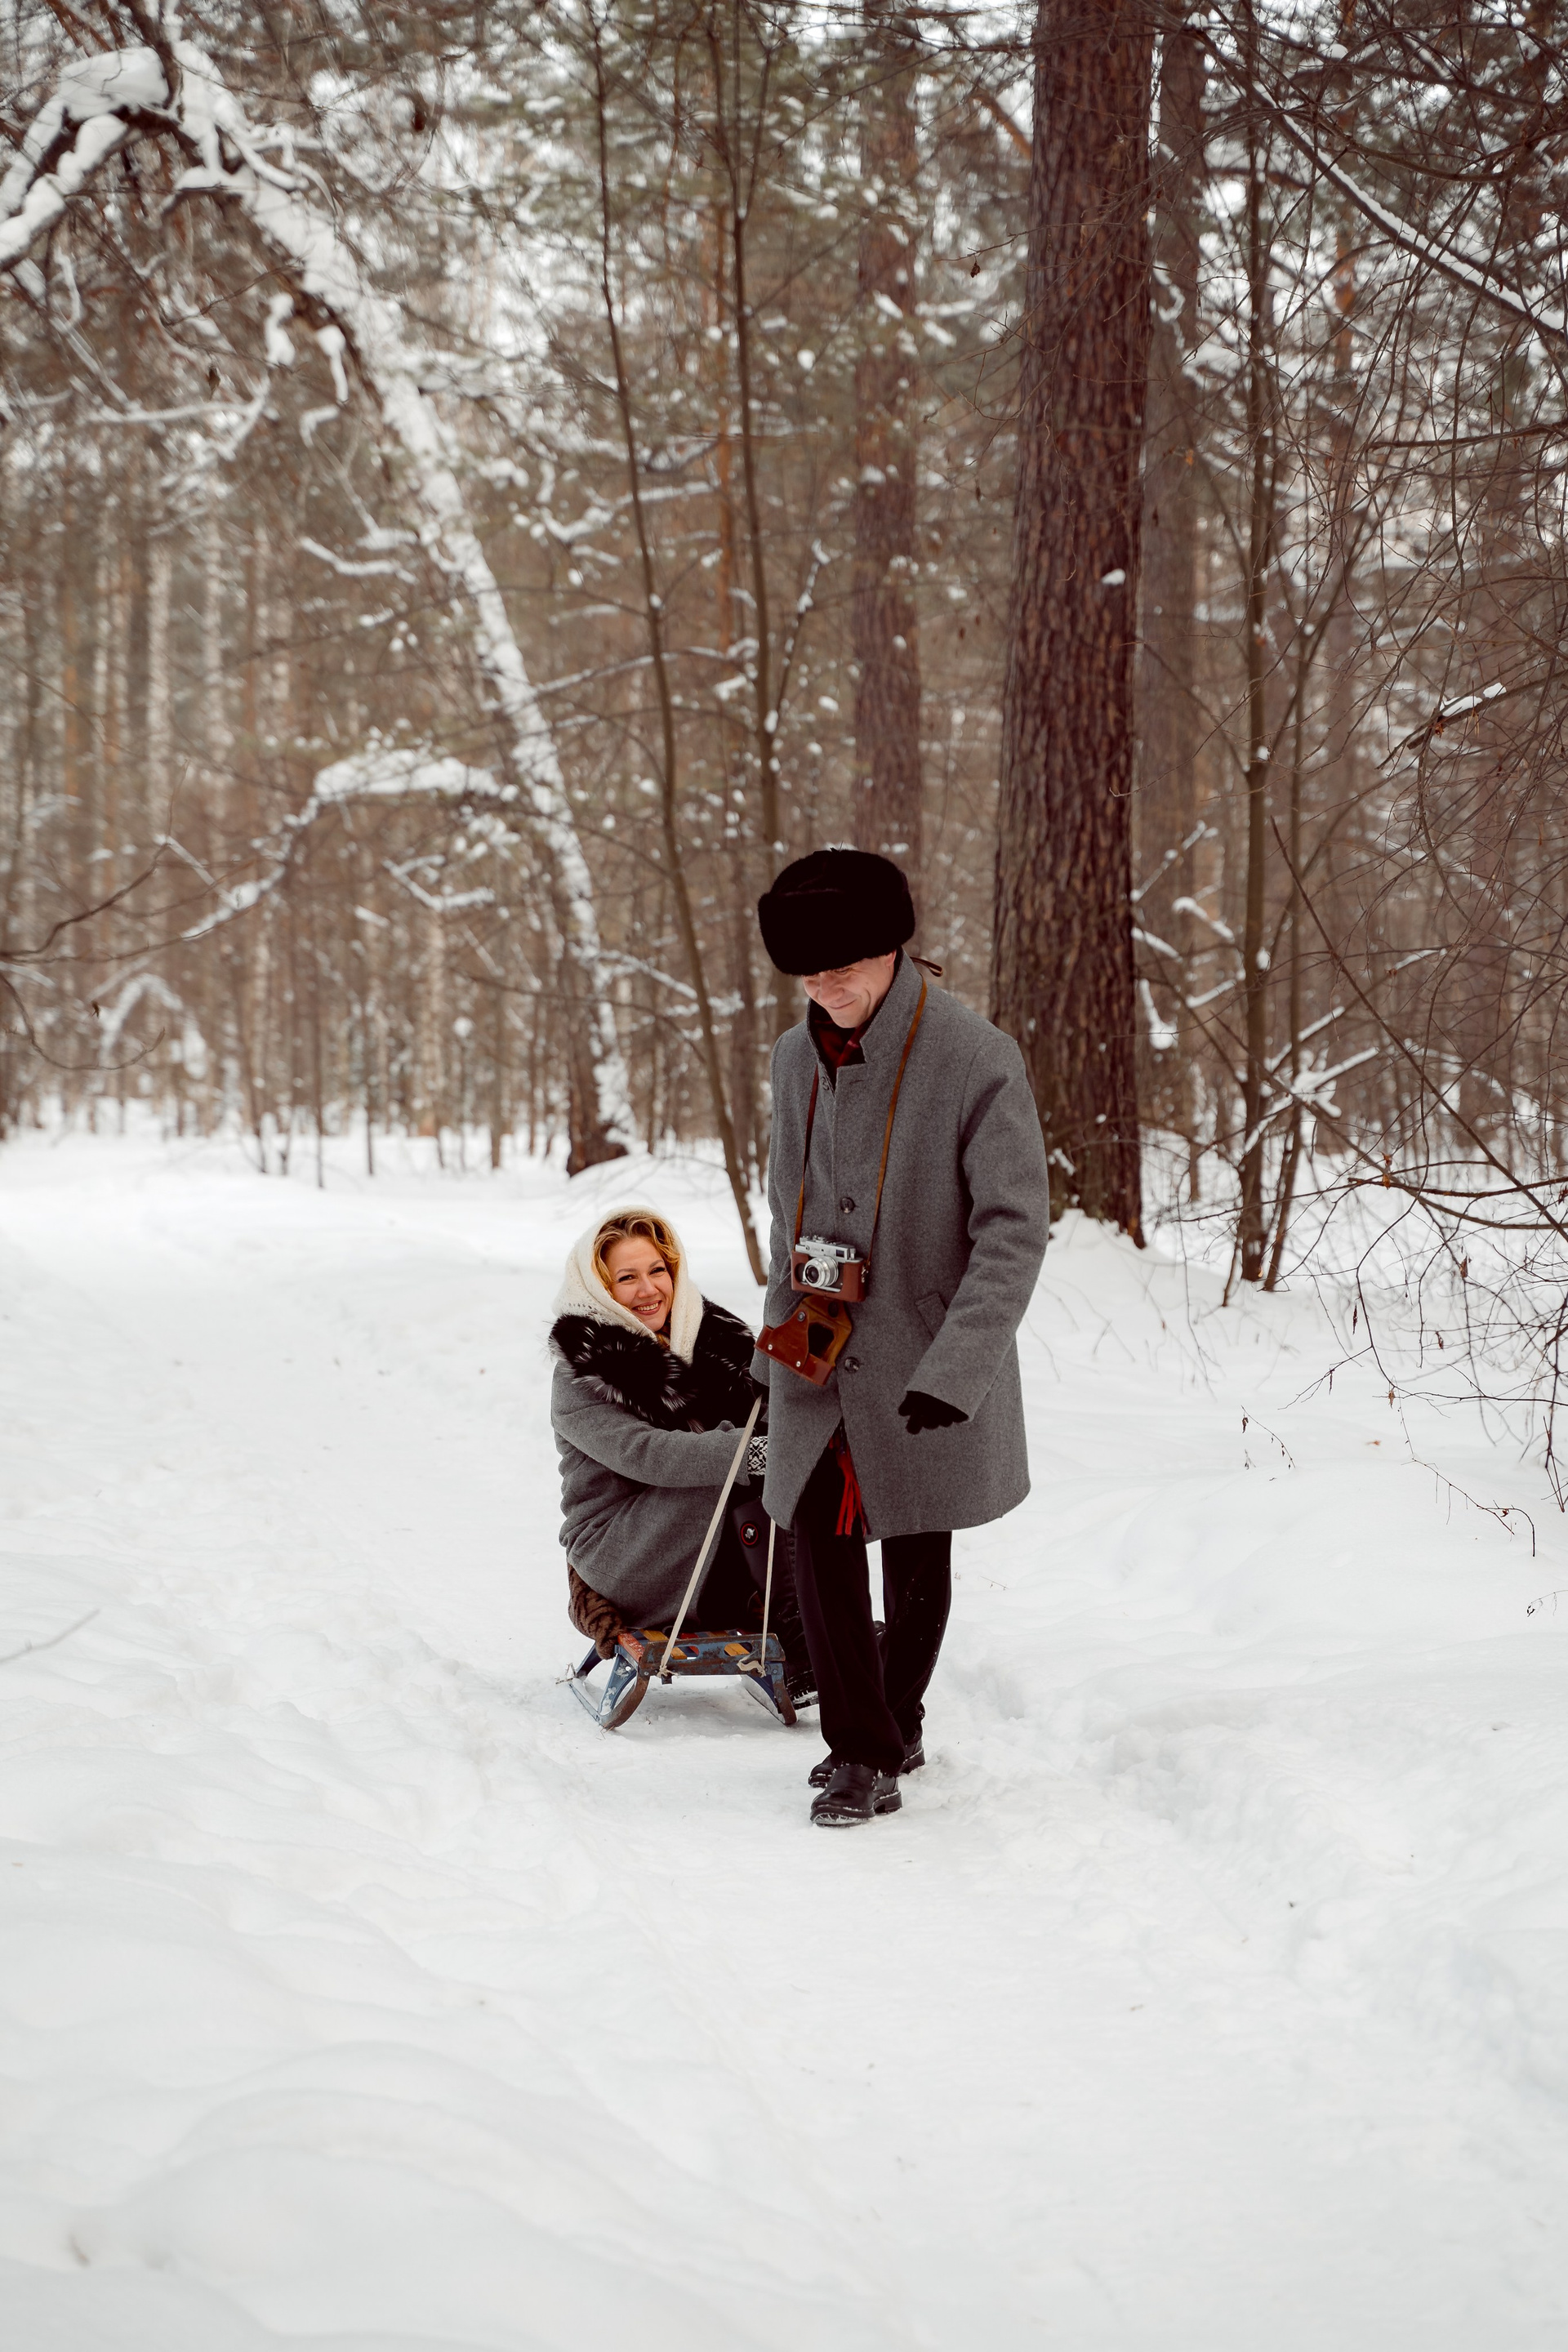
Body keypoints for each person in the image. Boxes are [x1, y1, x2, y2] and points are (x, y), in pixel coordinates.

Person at [753, 849, 1049, 1826]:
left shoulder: (976, 1056)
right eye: (809, 972)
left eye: (843, 967)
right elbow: (784, 1211)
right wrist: (773, 1341)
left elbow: (1013, 1230)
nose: (826, 988)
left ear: (893, 949)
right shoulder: (793, 1058)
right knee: (818, 1531)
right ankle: (860, 1748)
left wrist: (957, 1366)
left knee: (917, 1541)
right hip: (818, 1349)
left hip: (925, 1353)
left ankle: (898, 1718)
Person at [549, 1207, 806, 1680]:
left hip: (709, 1538)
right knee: (724, 1467)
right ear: (600, 1290)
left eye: (657, 1271)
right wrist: (755, 1452)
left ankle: (812, 1616)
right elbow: (648, 1454)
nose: (649, 1290)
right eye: (627, 1278)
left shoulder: (710, 1338)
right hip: (617, 1553)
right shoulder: (582, 1371)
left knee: (789, 1467)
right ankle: (797, 1635)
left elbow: (766, 1411)